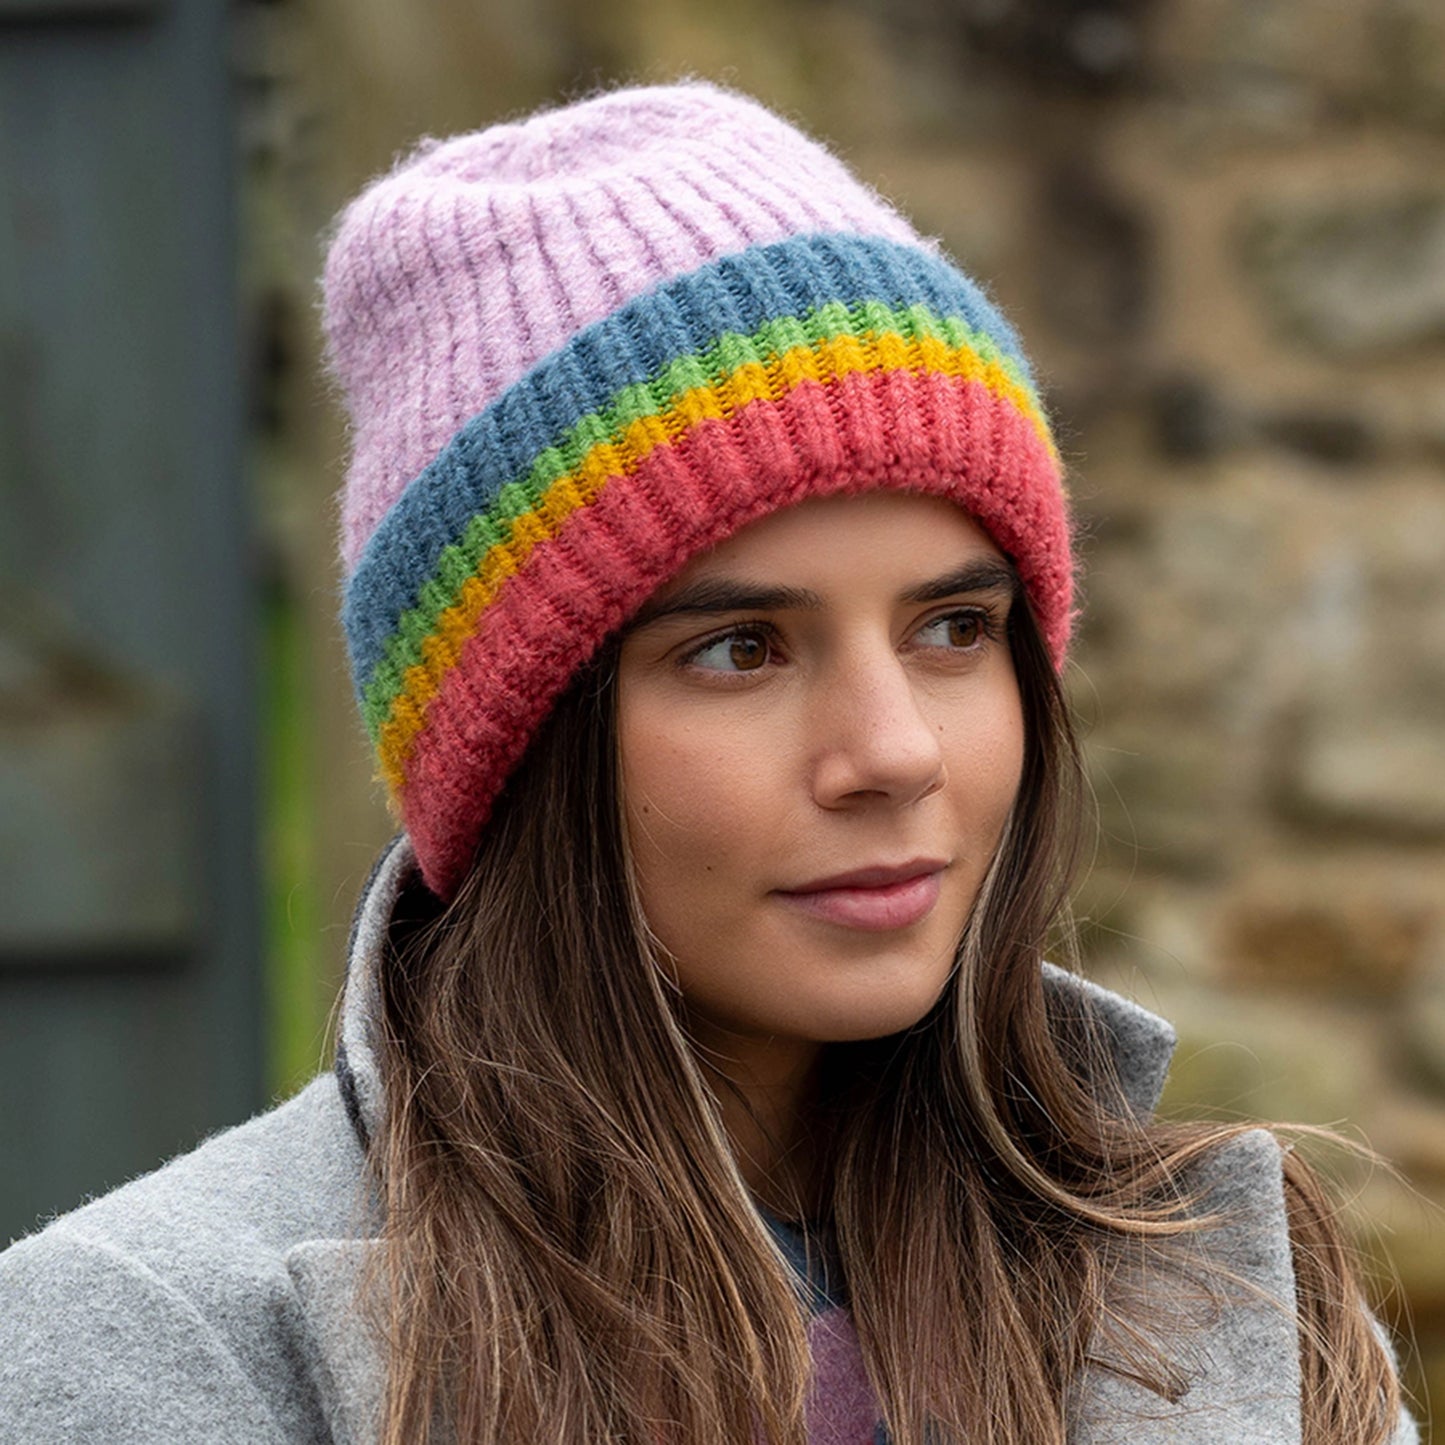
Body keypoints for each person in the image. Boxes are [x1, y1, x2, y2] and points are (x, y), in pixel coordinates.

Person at [0, 82, 1415, 1445]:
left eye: (951, 626)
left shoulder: (1221, 1282)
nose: (891, 751)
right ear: (517, 744)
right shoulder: (151, 1342)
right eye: (740, 648)